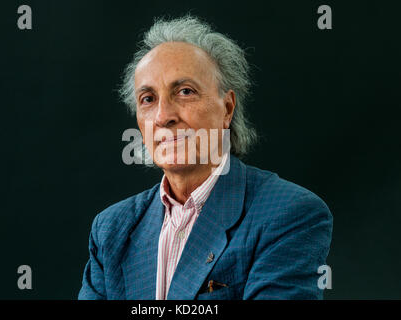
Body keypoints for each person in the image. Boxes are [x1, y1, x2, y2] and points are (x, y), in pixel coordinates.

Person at [78, 15, 333, 300]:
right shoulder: (111, 229)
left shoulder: (288, 213)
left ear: (227, 108)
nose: (163, 117)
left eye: (185, 92)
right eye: (148, 99)